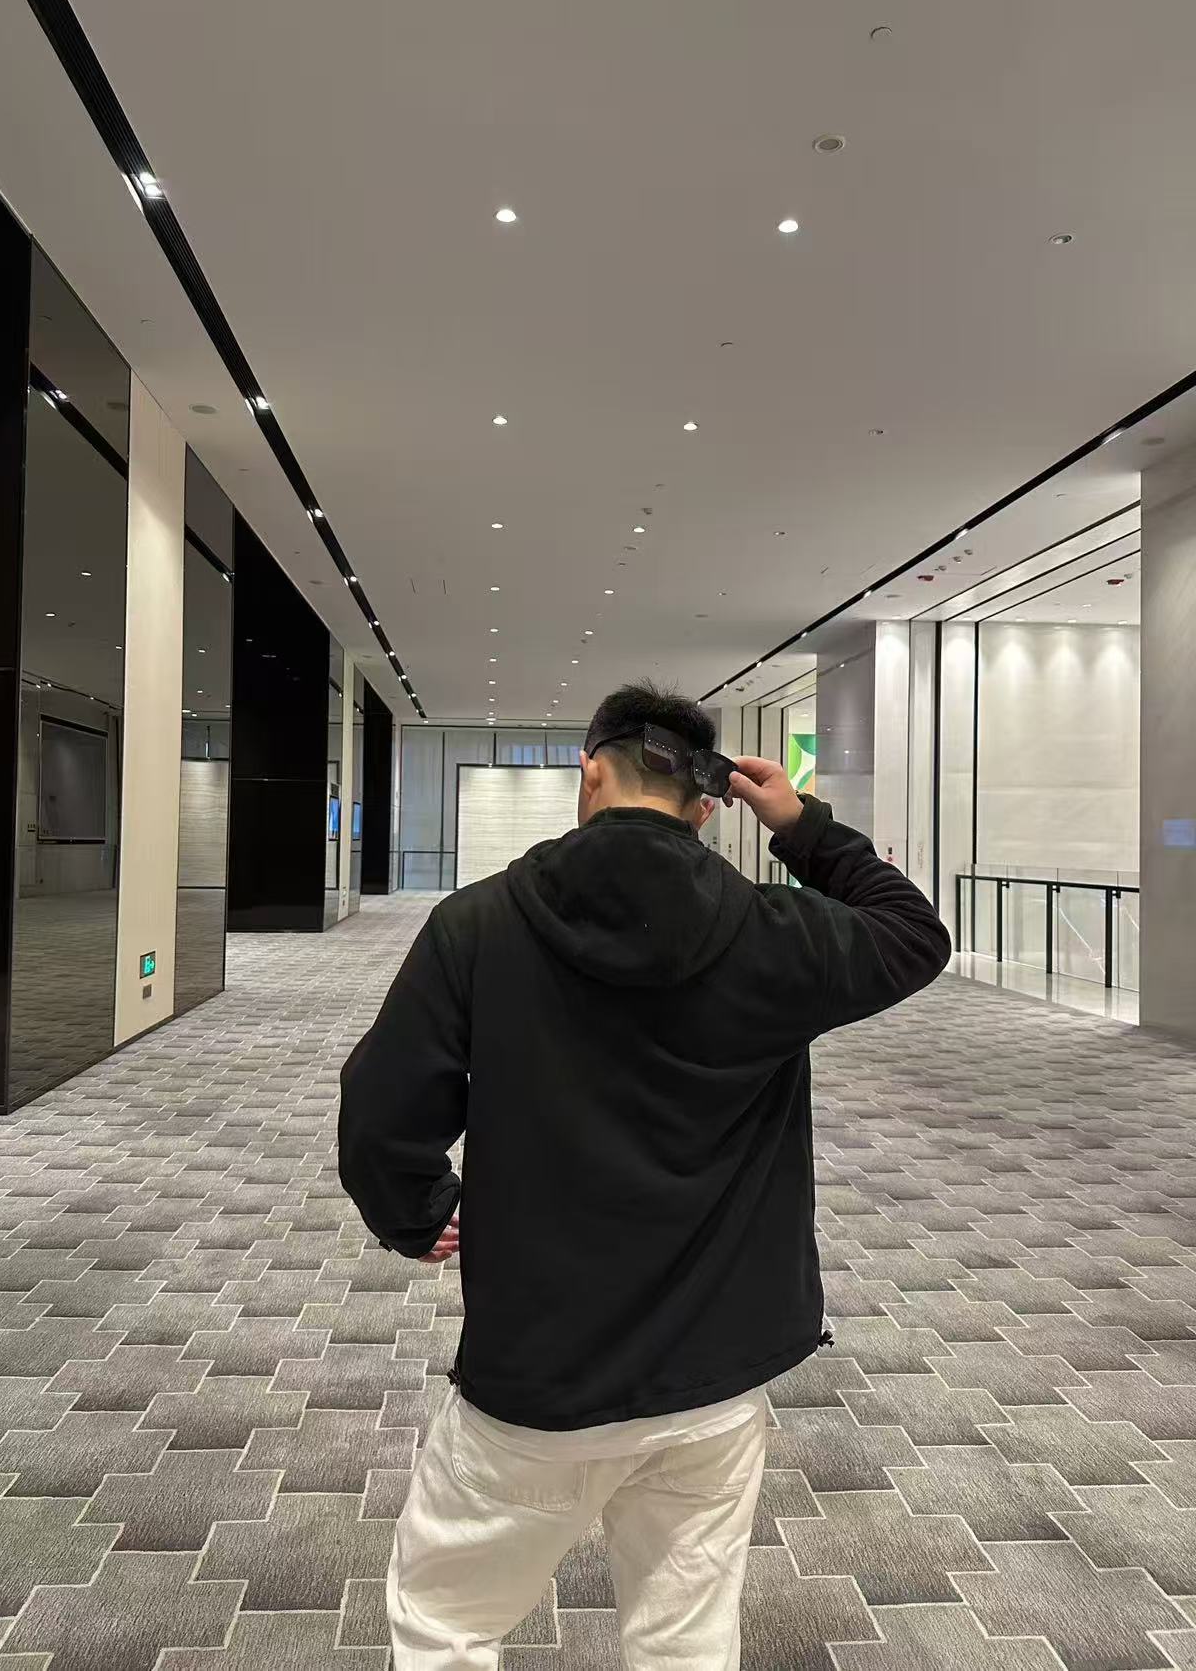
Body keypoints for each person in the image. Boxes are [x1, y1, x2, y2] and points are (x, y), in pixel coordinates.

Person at [338, 681, 951, 1669]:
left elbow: (380, 1111)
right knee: (683, 1642)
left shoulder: (476, 924)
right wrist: (801, 826)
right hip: (712, 1378)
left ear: (590, 771)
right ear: (706, 805)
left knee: (446, 1624)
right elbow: (913, 933)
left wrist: (417, 1213)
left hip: (537, 1373)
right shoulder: (774, 932)